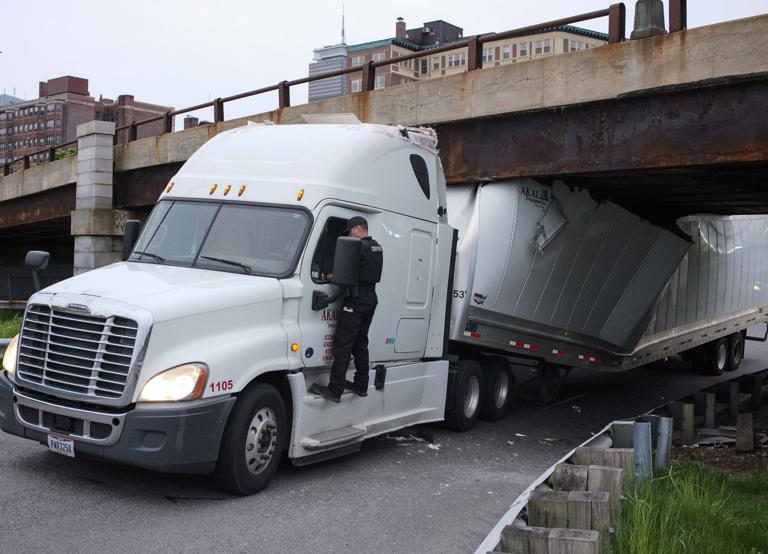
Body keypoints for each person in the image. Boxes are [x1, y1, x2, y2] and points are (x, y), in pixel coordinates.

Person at [310, 216, 383, 402]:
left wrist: (328, 276)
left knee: (343, 345)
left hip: (356, 300)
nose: (350, 235)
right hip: (370, 298)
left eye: (350, 231)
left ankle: (335, 390)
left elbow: (344, 275)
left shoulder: (359, 248)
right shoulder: (376, 247)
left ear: (358, 228)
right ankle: (361, 385)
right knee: (361, 344)